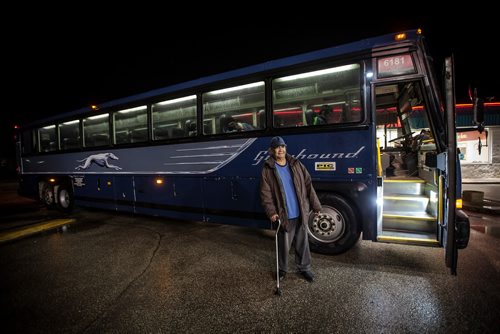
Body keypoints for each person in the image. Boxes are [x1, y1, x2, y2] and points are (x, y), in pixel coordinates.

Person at [260, 136, 322, 283]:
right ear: (272, 150)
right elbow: (265, 193)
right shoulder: (268, 168)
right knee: (283, 245)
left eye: (282, 146)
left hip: (300, 211)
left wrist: (316, 205)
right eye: (277, 147)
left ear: (285, 148)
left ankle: (305, 268)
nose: (280, 149)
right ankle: (282, 269)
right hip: (284, 214)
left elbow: (308, 185)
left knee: (303, 243)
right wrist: (271, 212)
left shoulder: (296, 164)